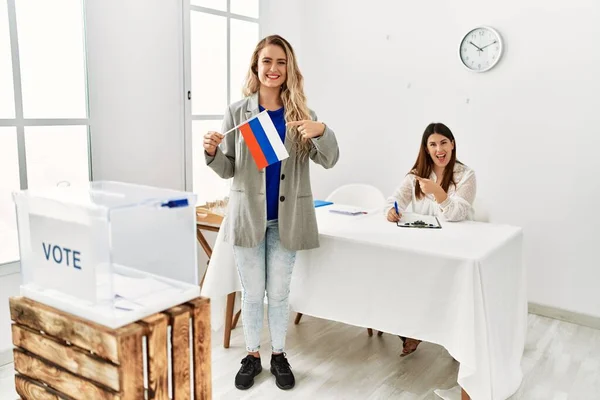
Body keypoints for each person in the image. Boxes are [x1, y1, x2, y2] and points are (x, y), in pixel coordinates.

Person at [203, 34, 339, 390]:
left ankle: (278, 355)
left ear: (289, 68)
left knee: (278, 294)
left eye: (281, 62)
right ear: (256, 66)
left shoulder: (303, 116)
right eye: (267, 61)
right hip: (248, 217)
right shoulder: (238, 111)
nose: (274, 69)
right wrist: (212, 152)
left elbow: (329, 159)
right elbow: (229, 167)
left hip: (287, 220)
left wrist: (321, 131)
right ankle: (251, 356)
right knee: (252, 294)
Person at [385, 122, 476, 356]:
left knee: (434, 282)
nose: (439, 149)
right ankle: (411, 329)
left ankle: (447, 337)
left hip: (456, 247)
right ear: (426, 149)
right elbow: (393, 200)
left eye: (444, 142)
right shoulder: (416, 175)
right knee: (400, 274)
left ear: (452, 144)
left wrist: (438, 192)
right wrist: (391, 211)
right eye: (433, 144)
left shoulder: (466, 176)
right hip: (423, 244)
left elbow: (457, 214)